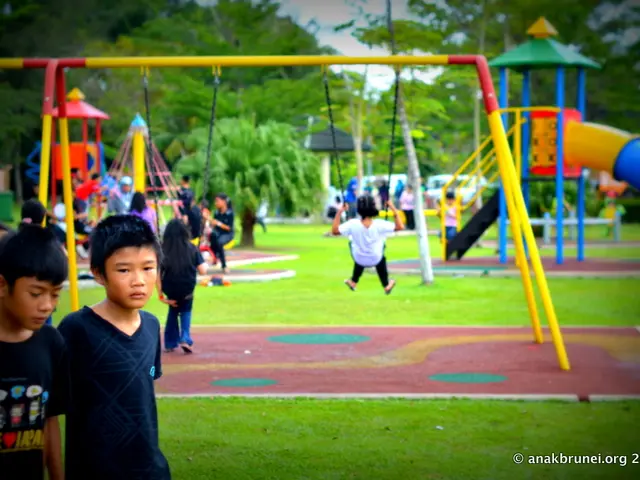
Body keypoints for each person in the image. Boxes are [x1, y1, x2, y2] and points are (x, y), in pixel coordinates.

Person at [56, 215, 171, 480]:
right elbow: (52, 410)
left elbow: (144, 391)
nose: (139, 280)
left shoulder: (152, 326)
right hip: (94, 470)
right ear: (98, 273)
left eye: (148, 268)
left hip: (150, 470)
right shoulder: (76, 329)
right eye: (124, 270)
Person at [0, 225, 69, 480]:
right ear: (2, 286)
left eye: (55, 294)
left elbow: (49, 421)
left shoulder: (52, 344)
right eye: (36, 293)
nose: (47, 306)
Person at [332, 195, 403, 295]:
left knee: (356, 245)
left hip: (358, 258)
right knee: (380, 253)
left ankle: (353, 281)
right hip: (376, 258)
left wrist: (340, 212)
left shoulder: (352, 224)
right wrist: (392, 208)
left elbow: (334, 231)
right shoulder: (380, 224)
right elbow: (400, 226)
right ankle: (386, 285)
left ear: (358, 209)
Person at [157, 219, 208, 354]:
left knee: (173, 309)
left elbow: (157, 274)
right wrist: (203, 260)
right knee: (185, 308)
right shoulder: (192, 248)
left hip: (170, 289)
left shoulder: (162, 250)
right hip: (187, 289)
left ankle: (169, 342)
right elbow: (203, 270)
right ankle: (185, 337)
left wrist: (161, 295)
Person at [209, 193, 235, 274]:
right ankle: (216, 256)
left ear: (224, 202)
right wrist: (211, 223)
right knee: (212, 237)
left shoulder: (230, 213)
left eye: (217, 201)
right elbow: (214, 225)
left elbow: (229, 228)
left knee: (220, 243)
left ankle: (224, 265)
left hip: (227, 234)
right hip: (218, 233)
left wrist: (218, 223)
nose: (215, 203)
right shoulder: (216, 212)